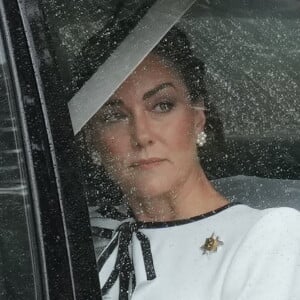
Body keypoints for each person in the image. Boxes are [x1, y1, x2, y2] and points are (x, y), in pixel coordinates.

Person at [78, 26, 300, 300]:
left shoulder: (270, 237)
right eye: (114, 116)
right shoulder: (81, 243)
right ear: (91, 141)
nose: (142, 135)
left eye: (162, 106)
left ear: (198, 118)